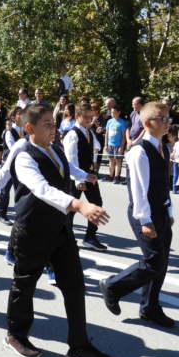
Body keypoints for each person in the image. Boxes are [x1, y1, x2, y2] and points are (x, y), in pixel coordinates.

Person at [5, 104, 112, 357]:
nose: (54, 129)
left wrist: (85, 175)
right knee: (25, 284)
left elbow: (68, 169)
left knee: (74, 285)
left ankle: (79, 346)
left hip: (60, 229)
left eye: (54, 123)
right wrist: (78, 204)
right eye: (47, 125)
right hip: (32, 230)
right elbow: (42, 189)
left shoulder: (56, 149)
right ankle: (16, 335)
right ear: (29, 128)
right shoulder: (24, 157)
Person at [98, 102, 176, 327]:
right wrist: (145, 220)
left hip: (161, 211)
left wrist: (169, 209)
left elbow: (163, 184)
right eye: (163, 119)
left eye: (168, 118)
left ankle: (150, 307)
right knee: (153, 261)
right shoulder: (139, 151)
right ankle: (112, 286)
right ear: (147, 123)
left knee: (162, 262)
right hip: (145, 214)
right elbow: (138, 190)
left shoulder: (163, 148)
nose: (167, 123)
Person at [64, 104, 106, 250]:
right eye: (87, 117)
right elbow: (71, 159)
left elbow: (96, 147)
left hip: (89, 175)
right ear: (77, 116)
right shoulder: (72, 134)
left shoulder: (89, 132)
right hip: (77, 177)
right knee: (70, 208)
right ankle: (66, 238)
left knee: (97, 203)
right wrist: (78, 180)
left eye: (91, 116)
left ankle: (90, 237)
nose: (90, 119)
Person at [0, 109, 23, 226]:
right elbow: (13, 149)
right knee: (5, 190)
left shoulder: (25, 131)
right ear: (13, 117)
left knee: (20, 190)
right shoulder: (9, 132)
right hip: (8, 165)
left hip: (20, 165)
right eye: (19, 114)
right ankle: (1, 214)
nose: (23, 116)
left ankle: (20, 214)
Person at [105, 106, 128, 184]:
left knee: (118, 161)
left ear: (118, 112)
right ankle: (111, 175)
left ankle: (116, 176)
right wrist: (106, 145)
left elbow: (124, 136)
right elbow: (106, 134)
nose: (112, 114)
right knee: (111, 161)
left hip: (118, 145)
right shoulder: (109, 121)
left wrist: (121, 147)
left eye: (114, 112)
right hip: (110, 144)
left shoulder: (122, 122)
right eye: (111, 112)